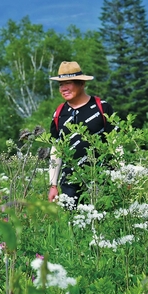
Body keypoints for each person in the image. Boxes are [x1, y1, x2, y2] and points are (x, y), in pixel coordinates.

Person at [48, 62, 114, 203]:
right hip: (70, 184)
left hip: (102, 180)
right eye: (60, 84)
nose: (63, 88)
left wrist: (122, 176)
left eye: (68, 83)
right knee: (73, 223)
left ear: (82, 84)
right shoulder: (59, 114)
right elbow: (56, 149)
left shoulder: (102, 108)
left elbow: (116, 143)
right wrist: (53, 184)